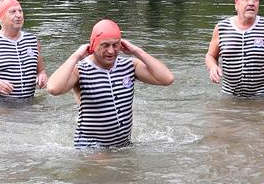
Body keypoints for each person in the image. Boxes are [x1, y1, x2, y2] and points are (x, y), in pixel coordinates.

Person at [47, 19, 174, 149]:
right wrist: (75, 56)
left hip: (123, 145)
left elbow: (167, 79)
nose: (111, 51)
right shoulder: (81, 70)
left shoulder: (129, 65)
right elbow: (53, 88)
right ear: (93, 45)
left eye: (115, 45)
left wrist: (137, 51)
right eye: (105, 45)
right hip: (91, 148)